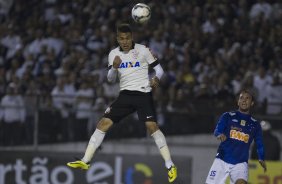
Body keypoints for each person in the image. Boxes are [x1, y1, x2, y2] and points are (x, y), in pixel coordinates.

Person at [67, 23, 177, 183]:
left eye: (127, 38)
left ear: (131, 37)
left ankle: (170, 165)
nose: (124, 41)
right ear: (117, 38)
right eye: (121, 38)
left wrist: (156, 79)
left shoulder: (143, 50)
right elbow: (110, 79)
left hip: (143, 93)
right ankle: (85, 161)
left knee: (152, 127)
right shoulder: (113, 54)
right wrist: (114, 68)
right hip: (125, 95)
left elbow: (160, 70)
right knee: (103, 123)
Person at [205, 89, 267, 184]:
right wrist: (219, 134)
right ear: (238, 102)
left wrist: (261, 157)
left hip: (240, 163)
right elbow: (217, 130)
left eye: (247, 98)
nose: (244, 100)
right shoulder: (227, 116)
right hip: (222, 159)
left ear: (252, 103)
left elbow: (259, 143)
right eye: (241, 98)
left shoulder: (255, 124)